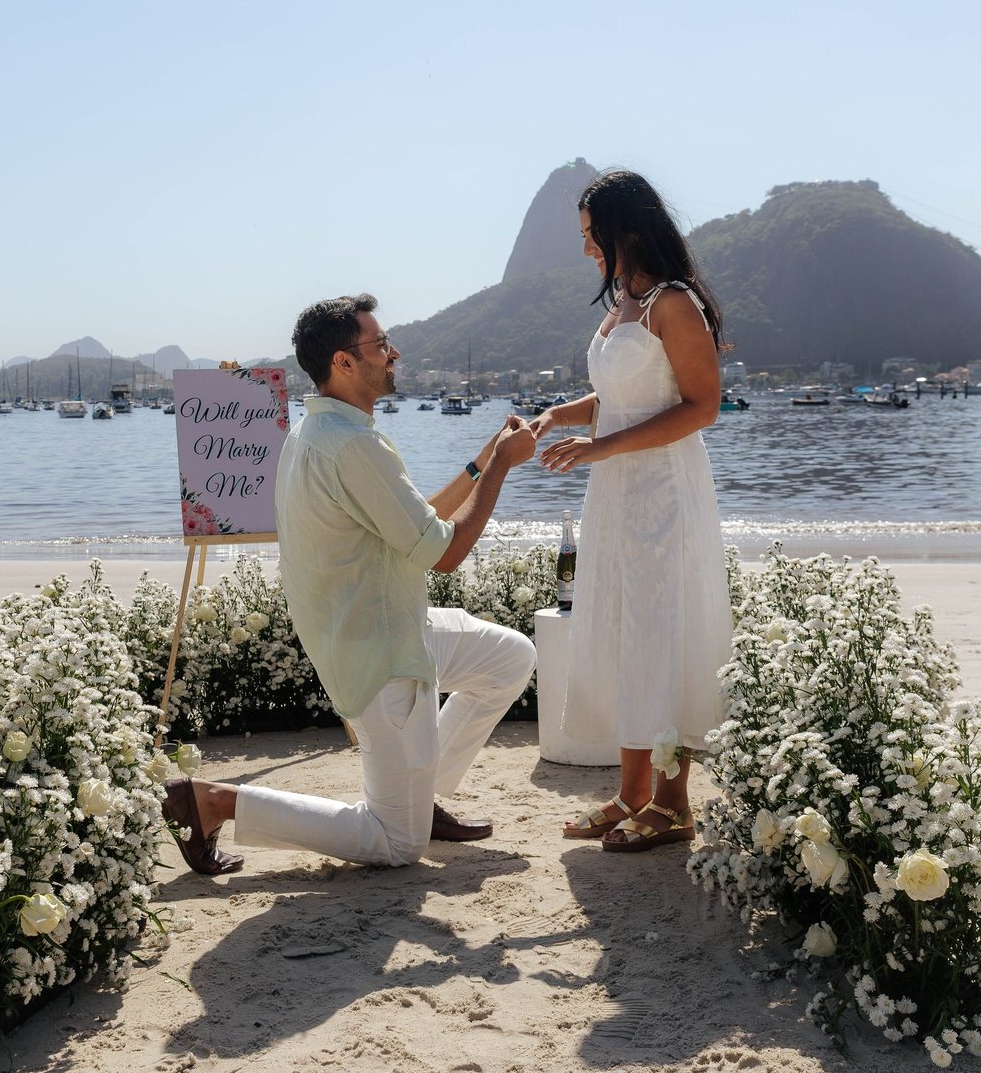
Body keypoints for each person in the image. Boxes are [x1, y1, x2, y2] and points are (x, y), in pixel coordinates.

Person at [162, 293, 539, 873]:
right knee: (396, 844)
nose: (394, 353)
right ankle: (217, 801)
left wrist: (480, 461)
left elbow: (418, 529)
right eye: (381, 344)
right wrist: (502, 468)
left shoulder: (316, 433)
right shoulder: (354, 447)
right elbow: (445, 553)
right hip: (380, 652)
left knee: (509, 657)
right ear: (343, 361)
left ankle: (420, 793)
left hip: (387, 624)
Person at [533, 170, 732, 852]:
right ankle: (630, 793)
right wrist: (561, 415)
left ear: (627, 229)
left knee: (660, 632)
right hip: (616, 491)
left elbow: (701, 406)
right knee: (622, 627)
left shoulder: (673, 305)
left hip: (664, 493)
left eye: (594, 235)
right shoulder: (624, 302)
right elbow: (620, 395)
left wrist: (602, 446)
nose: (588, 249)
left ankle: (674, 804)